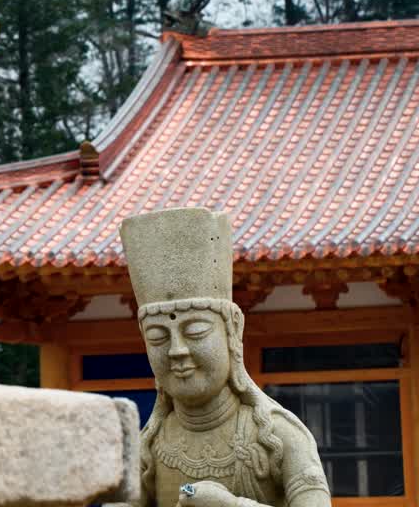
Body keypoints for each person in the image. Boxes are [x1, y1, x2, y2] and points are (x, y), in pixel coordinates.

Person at [118, 208, 331, 507]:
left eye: (195, 332)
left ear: (232, 331)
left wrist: (233, 506)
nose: (177, 350)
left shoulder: (279, 434)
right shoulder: (149, 448)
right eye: (158, 338)